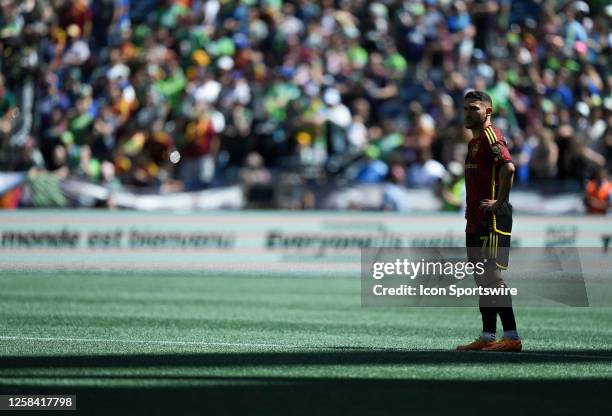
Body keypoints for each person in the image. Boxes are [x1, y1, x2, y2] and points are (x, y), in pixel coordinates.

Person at [456, 90, 521, 352]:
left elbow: (509, 167)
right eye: (466, 109)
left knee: (492, 278)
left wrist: (499, 201)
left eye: (474, 108)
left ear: (488, 111)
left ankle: (512, 336)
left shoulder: (491, 136)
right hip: (475, 219)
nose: (469, 113)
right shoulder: (473, 143)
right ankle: (487, 336)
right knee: (482, 279)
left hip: (492, 219)